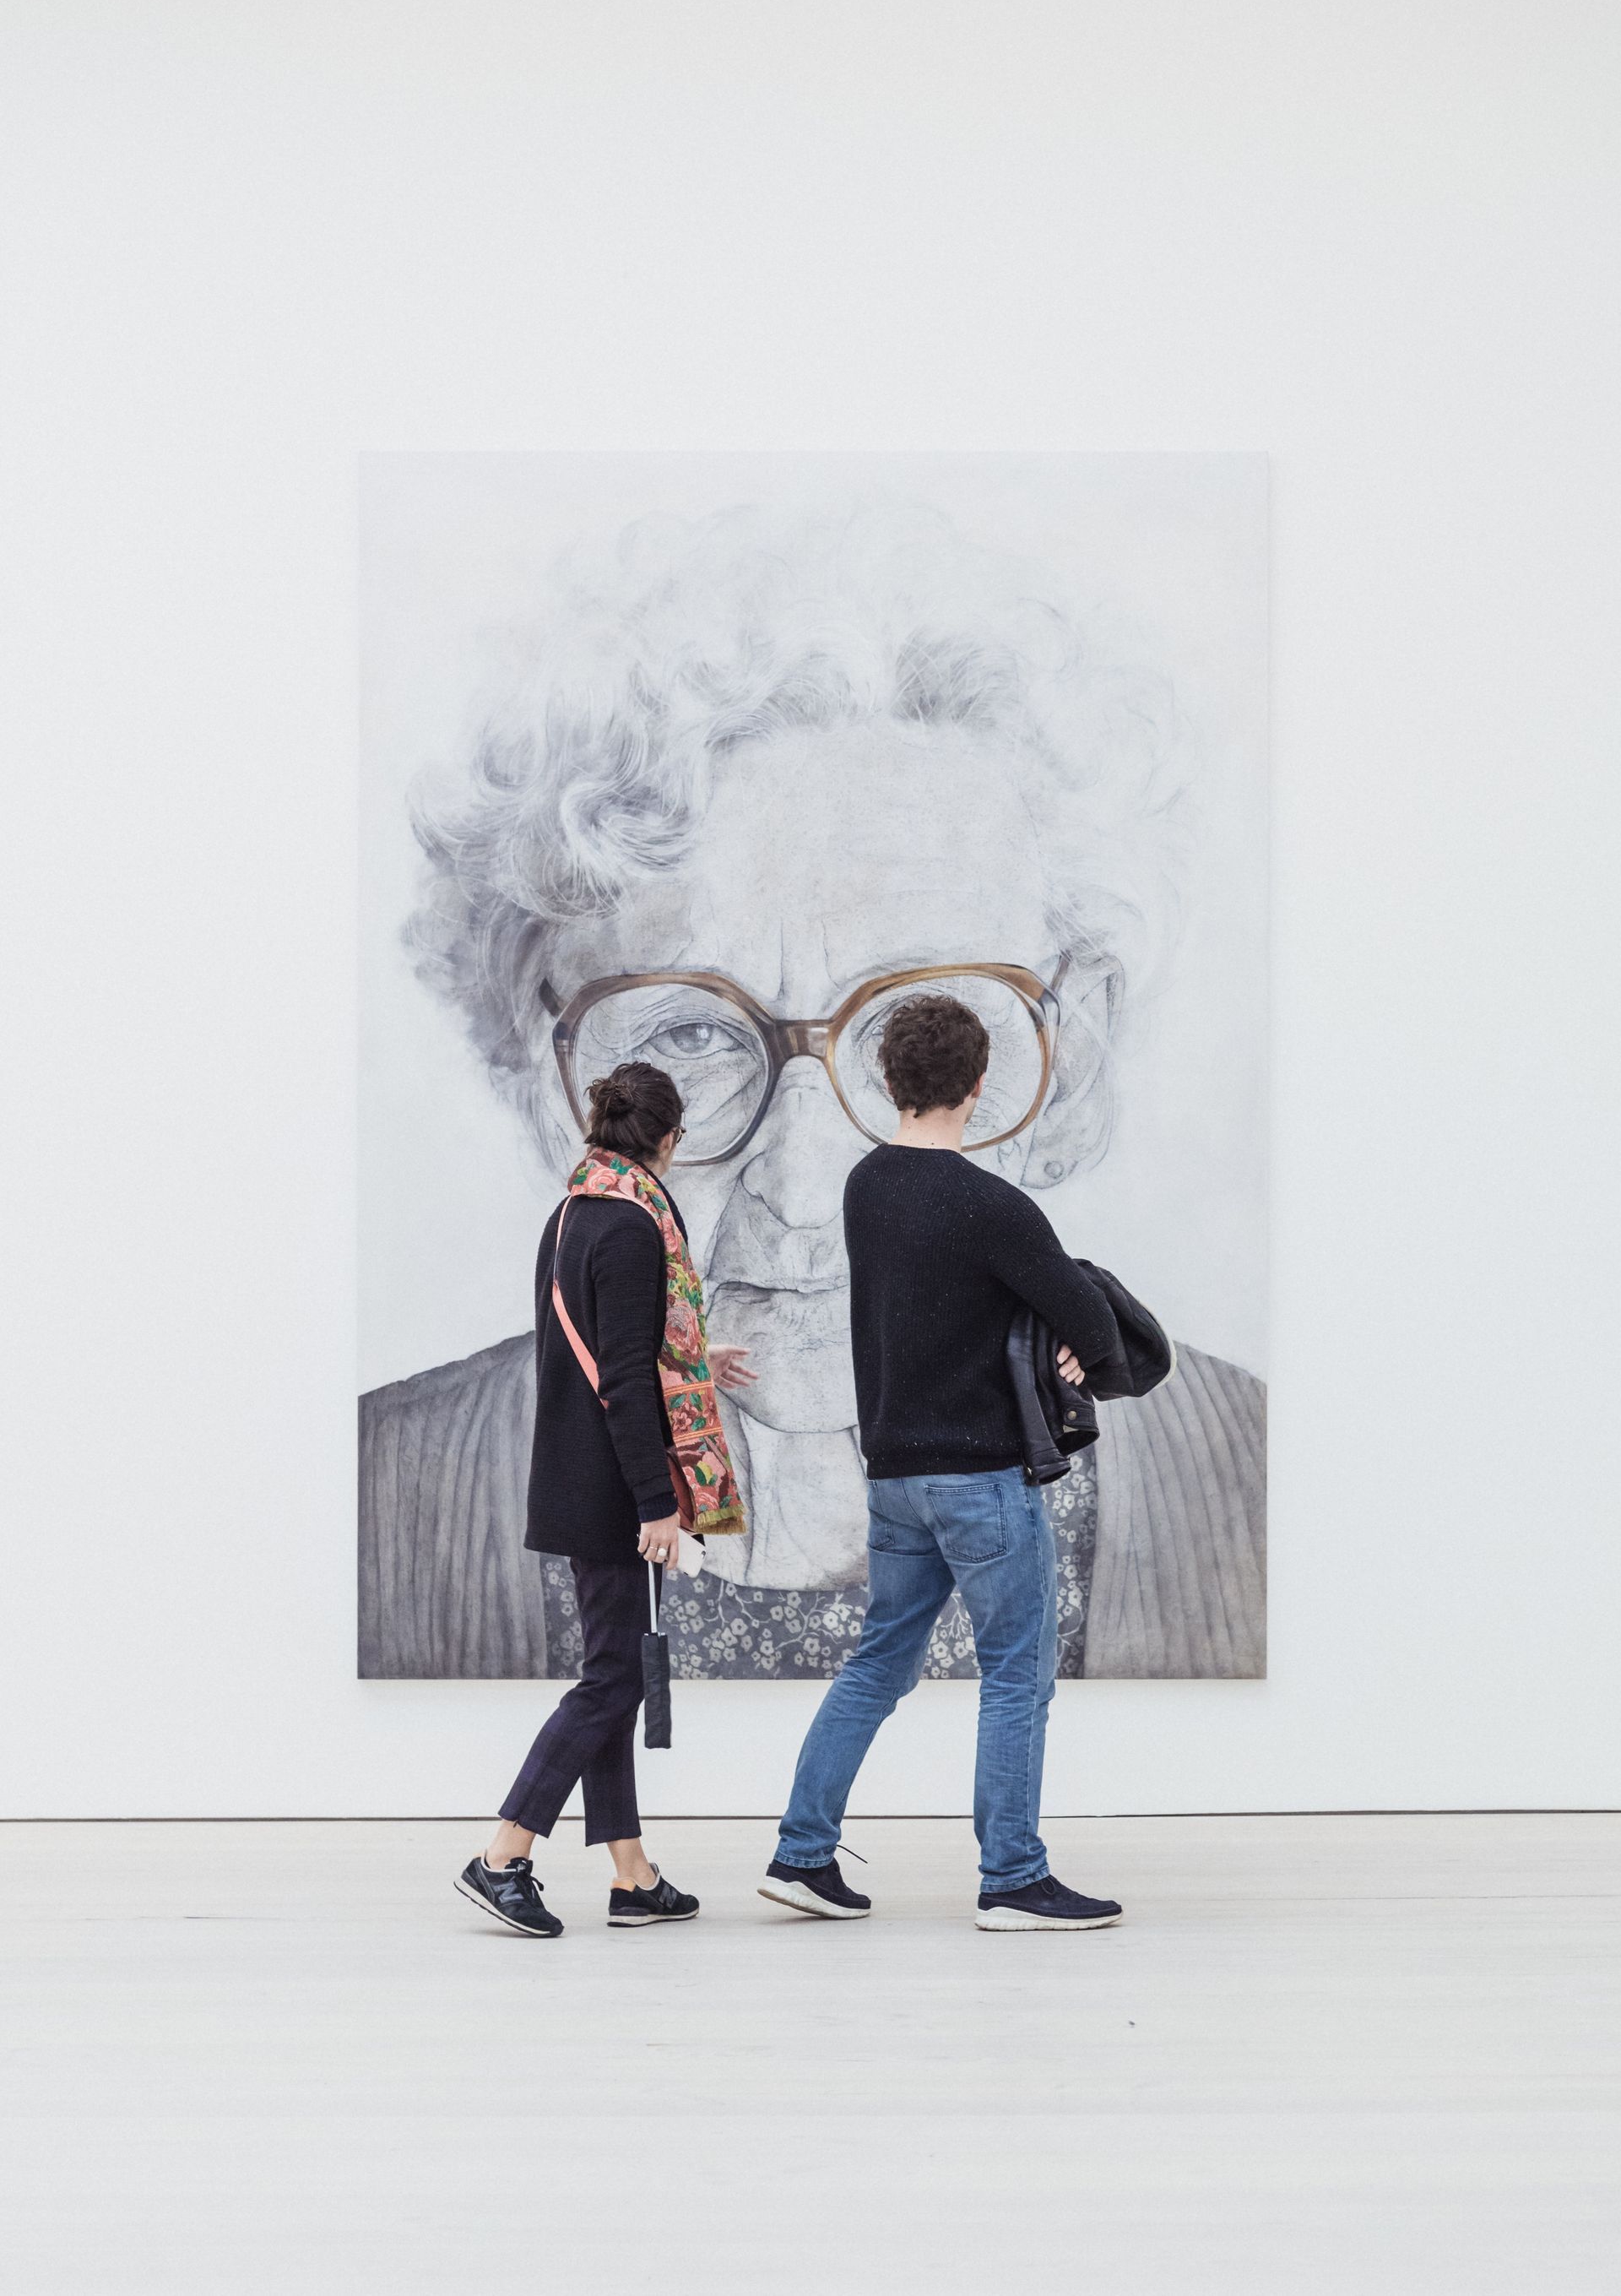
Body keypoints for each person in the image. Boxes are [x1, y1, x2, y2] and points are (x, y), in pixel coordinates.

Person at [361, 502, 1264, 1681]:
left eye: (914, 1026)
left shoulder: (1259, 1473)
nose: (803, 1185)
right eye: (690, 1029)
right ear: (553, 1075)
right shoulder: (376, 1492)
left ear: (1070, 1054)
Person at [761, 993, 1126, 1931]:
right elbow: (1091, 1321)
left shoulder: (863, 1188)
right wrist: (1080, 1350)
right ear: (976, 1086)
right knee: (1015, 1675)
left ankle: (802, 1853)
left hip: (894, 1477)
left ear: (888, 1080)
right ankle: (1012, 1877)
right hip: (982, 1481)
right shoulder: (993, 1206)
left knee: (879, 1660)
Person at [455, 1061, 755, 1938]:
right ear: (668, 1138)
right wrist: (658, 1503)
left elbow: (615, 1344)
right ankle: (503, 1853)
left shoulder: (576, 1210)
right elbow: (620, 1374)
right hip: (612, 1488)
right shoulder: (632, 1225)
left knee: (614, 1671)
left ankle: (632, 1873)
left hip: (581, 1472)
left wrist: (697, 1360)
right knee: (613, 1676)